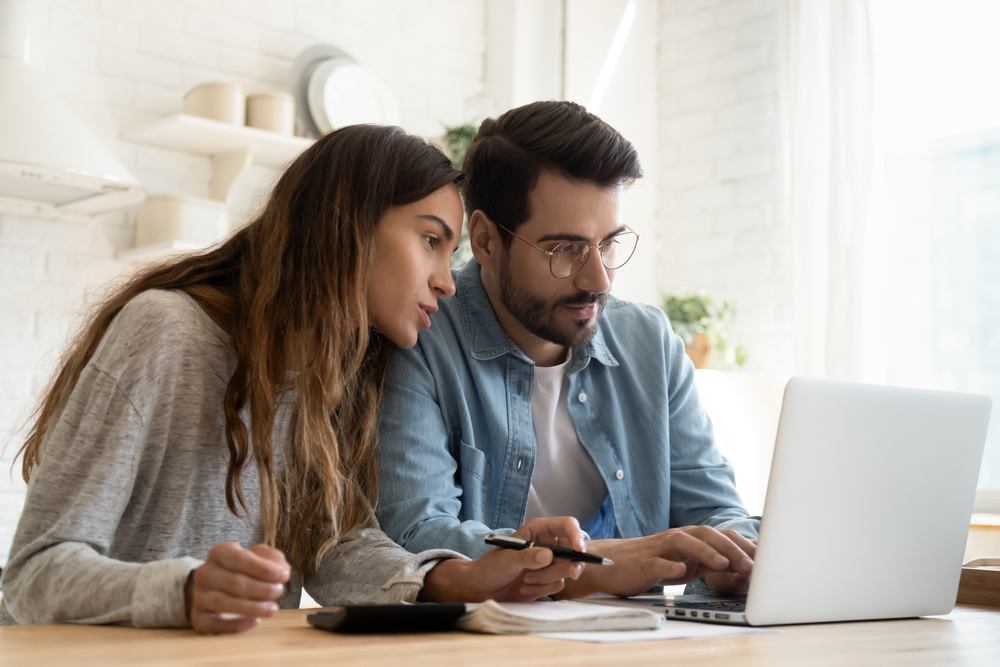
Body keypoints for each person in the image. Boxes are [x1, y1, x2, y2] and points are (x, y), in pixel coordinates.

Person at [0, 124, 587, 634]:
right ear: (347, 225)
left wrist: (462, 579)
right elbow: (34, 572)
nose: (447, 282)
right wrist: (182, 592)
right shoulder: (166, 332)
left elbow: (335, 547)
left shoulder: (334, 377)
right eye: (430, 240)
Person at [376, 101, 759, 600]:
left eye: (610, 244)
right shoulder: (417, 338)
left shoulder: (649, 343)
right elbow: (416, 535)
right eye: (566, 250)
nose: (598, 279)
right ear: (487, 241)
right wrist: (600, 565)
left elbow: (714, 508)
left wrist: (735, 557)